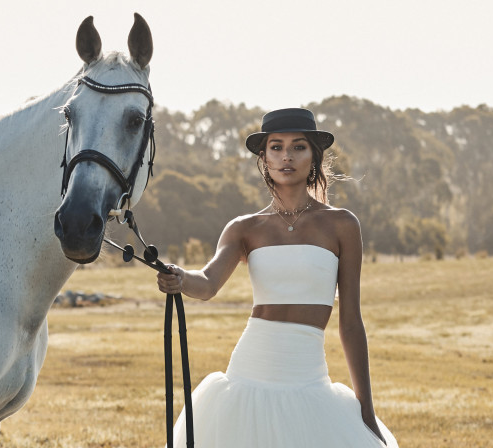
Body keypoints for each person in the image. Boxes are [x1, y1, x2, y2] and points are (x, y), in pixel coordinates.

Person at [156, 108, 398, 447]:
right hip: (249, 372)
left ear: (314, 154)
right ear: (264, 157)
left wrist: (366, 411)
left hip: (308, 376)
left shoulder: (342, 225)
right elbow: (208, 283)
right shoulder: (244, 228)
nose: (287, 156)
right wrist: (180, 278)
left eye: (298, 147)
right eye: (276, 147)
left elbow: (351, 323)